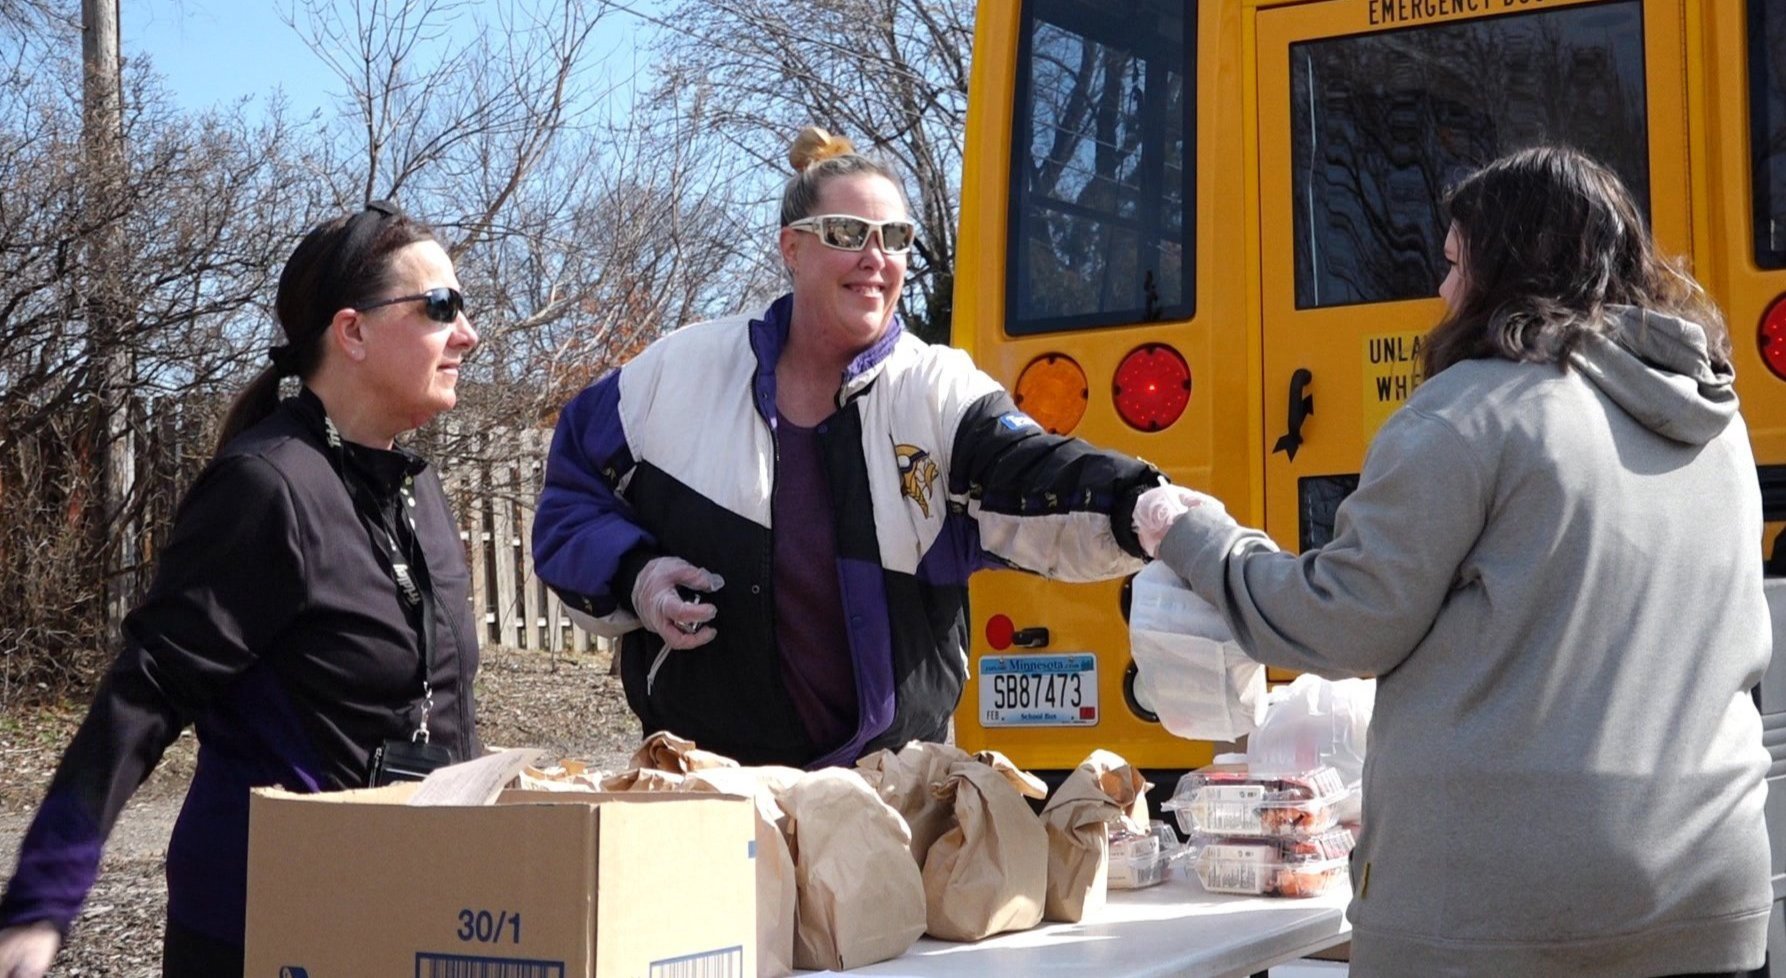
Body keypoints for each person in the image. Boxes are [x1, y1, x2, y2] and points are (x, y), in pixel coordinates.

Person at [1135, 146, 1771, 977]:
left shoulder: (1468, 413)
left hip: (1503, 918)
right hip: (1711, 900)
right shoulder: (1716, 428)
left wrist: (1197, 538)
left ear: (1502, 268)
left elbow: (1345, 621)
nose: (1441, 292)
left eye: (1452, 262)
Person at [533, 126, 1160, 768]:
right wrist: (637, 576)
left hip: (892, 784)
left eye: (894, 238)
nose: (875, 257)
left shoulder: (937, 388)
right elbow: (570, 500)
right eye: (845, 234)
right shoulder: (676, 373)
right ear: (792, 249)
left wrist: (1144, 507)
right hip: (708, 781)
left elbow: (1031, 471)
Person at [0, 202, 483, 977]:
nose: (467, 333)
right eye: (439, 308)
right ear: (351, 332)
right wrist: (40, 903)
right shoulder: (265, 487)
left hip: (406, 912)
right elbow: (144, 695)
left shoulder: (417, 495)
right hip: (270, 930)